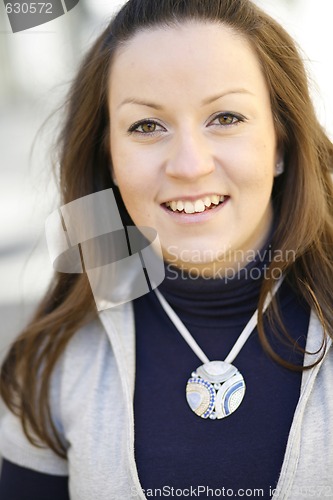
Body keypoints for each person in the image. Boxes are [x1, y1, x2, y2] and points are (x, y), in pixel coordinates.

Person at [1, 0, 333, 498]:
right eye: (146, 126)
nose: (189, 165)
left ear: (281, 142)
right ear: (108, 158)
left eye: (225, 116)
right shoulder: (53, 355)